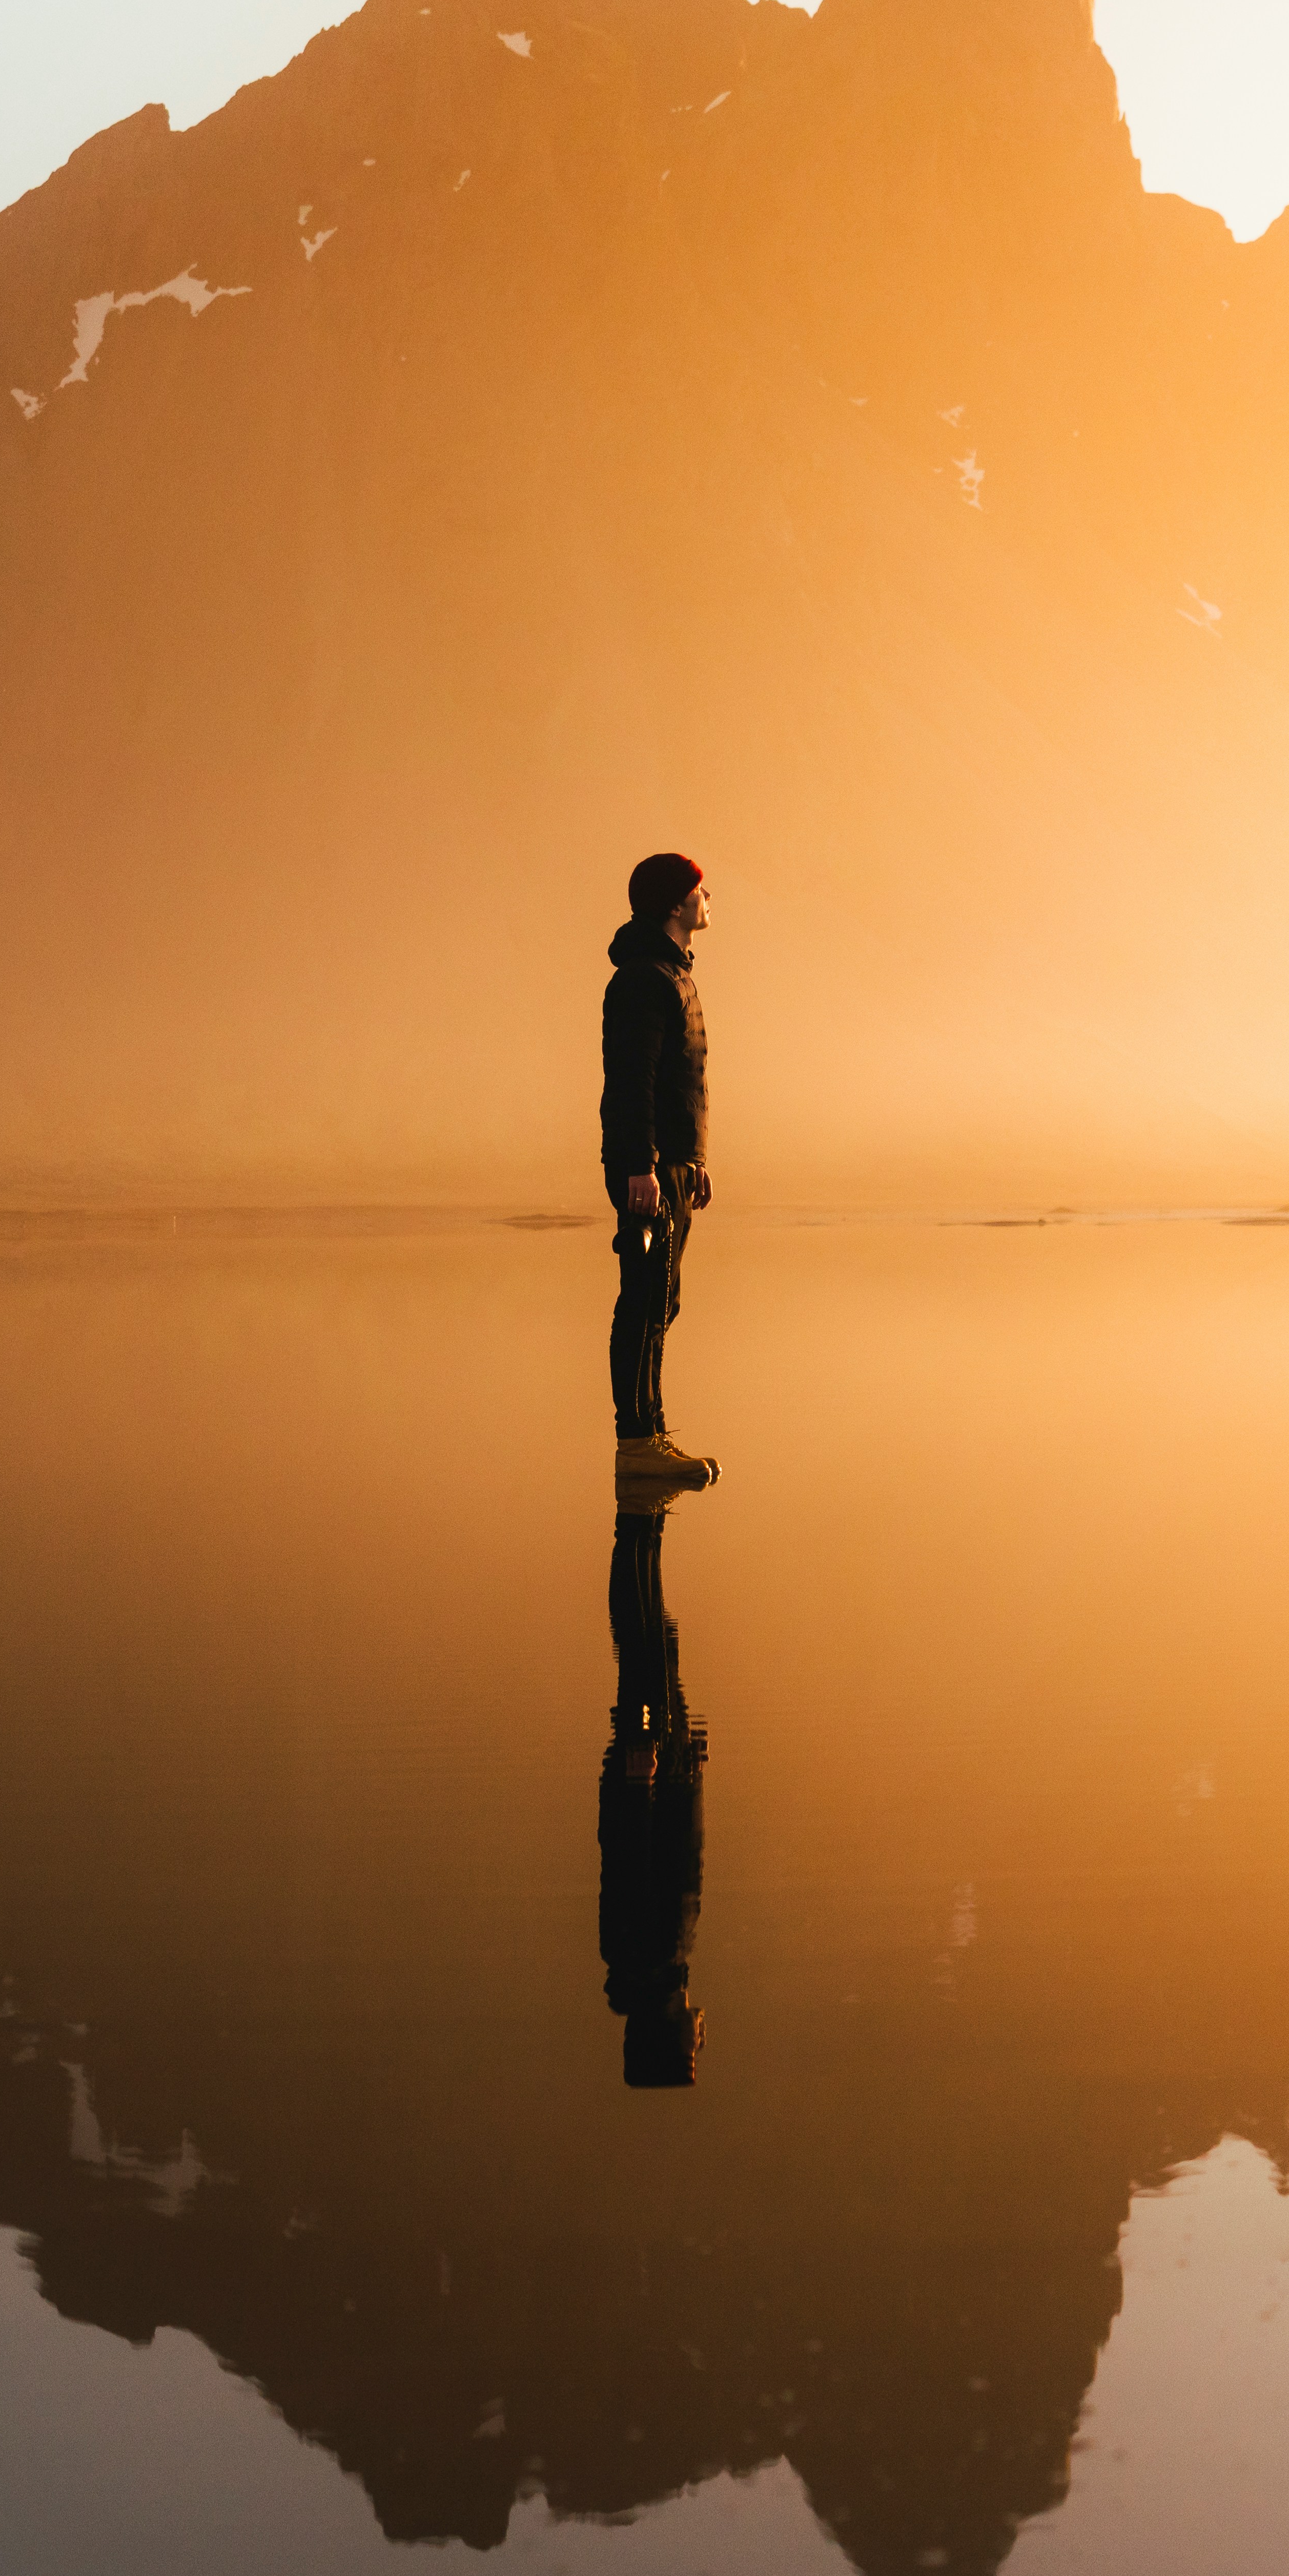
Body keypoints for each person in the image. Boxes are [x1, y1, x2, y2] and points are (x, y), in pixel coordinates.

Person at [601, 853, 717, 1489]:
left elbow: (682, 1083)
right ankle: (637, 1441)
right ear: (676, 904)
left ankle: (653, 1433)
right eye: (702, 891)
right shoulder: (645, 980)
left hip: (670, 1167)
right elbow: (633, 1085)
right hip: (646, 1172)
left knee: (662, 1300)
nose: (710, 899)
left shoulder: (673, 974)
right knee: (643, 1301)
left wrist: (692, 1160)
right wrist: (640, 1167)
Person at [599, 1498, 707, 2088]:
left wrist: (645, 1787)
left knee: (645, 1640)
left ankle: (636, 1524)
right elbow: (682, 1861)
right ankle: (642, 1523)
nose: (702, 2031)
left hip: (651, 1772)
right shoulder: (656, 1961)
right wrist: (691, 1779)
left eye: (694, 2046)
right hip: (668, 1774)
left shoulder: (646, 1953)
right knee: (654, 1642)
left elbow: (632, 1864)